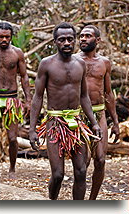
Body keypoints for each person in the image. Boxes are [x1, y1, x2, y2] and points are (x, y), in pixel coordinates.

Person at [29, 22, 102, 200]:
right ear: (55, 42)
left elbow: (84, 96)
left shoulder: (80, 64)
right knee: (58, 174)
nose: (67, 43)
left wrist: (93, 123)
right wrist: (32, 129)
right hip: (55, 123)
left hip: (76, 123)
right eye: (62, 40)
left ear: (75, 40)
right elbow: (37, 97)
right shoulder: (46, 64)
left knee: (81, 170)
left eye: (70, 39)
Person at [74, 25, 120, 200]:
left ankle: (92, 201)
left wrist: (115, 122)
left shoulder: (104, 63)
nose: (83, 39)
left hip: (99, 113)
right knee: (82, 164)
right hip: (79, 115)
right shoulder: (73, 60)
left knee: (100, 160)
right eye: (82, 36)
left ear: (98, 40)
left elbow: (108, 93)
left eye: (88, 36)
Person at [0, 22, 31, 179]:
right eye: (1, 37)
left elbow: (24, 76)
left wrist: (28, 100)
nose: (4, 39)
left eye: (7, 37)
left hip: (12, 100)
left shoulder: (17, 53)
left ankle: (12, 168)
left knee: (12, 137)